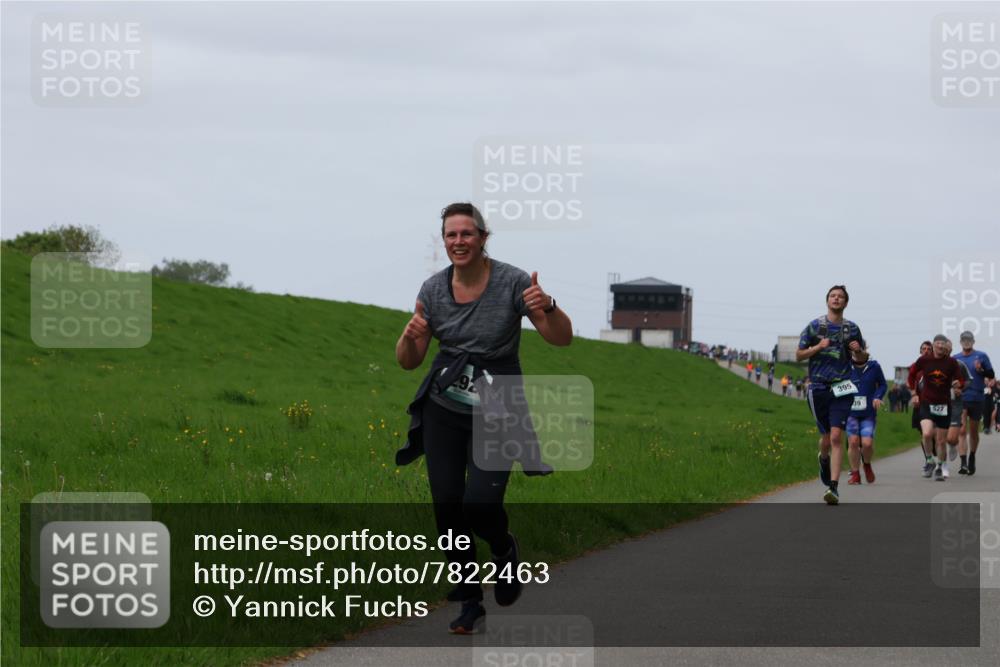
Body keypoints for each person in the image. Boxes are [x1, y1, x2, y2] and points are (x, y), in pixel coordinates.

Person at [395, 202, 573, 633]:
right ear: (445, 241)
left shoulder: (513, 282)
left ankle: (503, 551)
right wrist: (409, 337)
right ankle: (470, 601)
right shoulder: (433, 290)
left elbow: (561, 339)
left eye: (467, 234)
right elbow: (408, 361)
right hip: (444, 407)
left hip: (498, 406)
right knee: (447, 509)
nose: (459, 242)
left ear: (483, 237)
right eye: (451, 235)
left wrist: (546, 305)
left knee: (480, 504)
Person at [797, 285, 868, 505]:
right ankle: (824, 459)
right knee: (826, 438)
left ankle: (834, 488)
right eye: (833, 296)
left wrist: (858, 350)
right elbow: (799, 355)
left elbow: (863, 358)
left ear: (846, 303)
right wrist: (818, 347)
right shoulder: (814, 326)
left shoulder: (852, 329)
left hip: (842, 386)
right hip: (818, 387)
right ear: (827, 300)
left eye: (841, 297)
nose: (836, 299)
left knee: (837, 436)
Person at [908, 335, 966, 482]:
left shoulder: (952, 363)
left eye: (943, 343)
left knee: (941, 440)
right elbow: (912, 374)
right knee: (927, 434)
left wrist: (958, 384)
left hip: (944, 404)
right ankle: (929, 460)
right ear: (934, 345)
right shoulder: (924, 360)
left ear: (946, 346)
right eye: (938, 343)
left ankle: (939, 467)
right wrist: (914, 393)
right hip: (927, 402)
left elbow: (961, 380)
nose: (940, 346)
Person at [952, 331, 995, 475]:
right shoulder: (955, 358)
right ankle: (963, 462)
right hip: (961, 398)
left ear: (973, 341)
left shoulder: (981, 356)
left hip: (977, 398)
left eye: (969, 340)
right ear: (960, 342)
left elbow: (991, 375)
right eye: (964, 339)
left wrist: (981, 369)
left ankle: (972, 457)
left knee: (974, 431)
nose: (966, 342)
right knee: (962, 430)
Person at [845, 354, 887, 484]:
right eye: (854, 351)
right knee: (853, 442)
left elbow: (883, 384)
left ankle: (867, 464)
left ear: (865, 350)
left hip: (868, 412)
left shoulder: (874, 366)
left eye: (860, 349)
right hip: (849, 412)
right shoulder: (845, 365)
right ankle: (855, 474)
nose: (857, 353)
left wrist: (877, 396)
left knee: (867, 444)